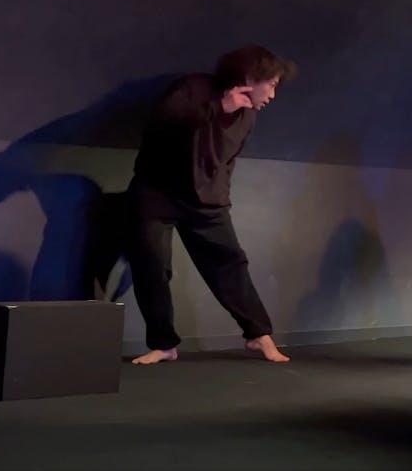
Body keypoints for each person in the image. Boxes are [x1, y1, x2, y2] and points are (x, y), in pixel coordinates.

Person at [124, 45, 295, 365]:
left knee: (230, 265)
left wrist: (219, 198)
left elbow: (226, 161)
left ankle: (259, 335)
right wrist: (219, 107)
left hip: (206, 202)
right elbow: (162, 126)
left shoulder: (248, 117)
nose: (273, 94)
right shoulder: (194, 88)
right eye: (271, 84)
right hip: (157, 193)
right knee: (152, 267)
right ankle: (163, 344)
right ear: (250, 78)